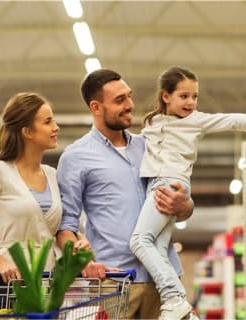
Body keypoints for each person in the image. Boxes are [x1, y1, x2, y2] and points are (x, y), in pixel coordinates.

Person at [129, 66, 246, 319]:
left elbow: (232, 120)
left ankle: (173, 298)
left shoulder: (195, 120)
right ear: (166, 96)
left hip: (169, 183)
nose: (191, 102)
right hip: (155, 183)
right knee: (159, 247)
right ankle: (185, 312)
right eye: (184, 96)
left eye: (194, 96)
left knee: (139, 241)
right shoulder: (153, 122)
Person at [55, 69, 194, 320]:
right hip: (113, 283)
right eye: (119, 100)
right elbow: (65, 227)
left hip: (164, 279)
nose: (130, 105)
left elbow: (181, 208)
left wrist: (184, 205)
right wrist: (81, 260)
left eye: (129, 97)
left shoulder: (150, 146)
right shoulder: (76, 157)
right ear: (96, 107)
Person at [0, 92, 89, 284]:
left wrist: (81, 240)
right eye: (47, 122)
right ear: (27, 132)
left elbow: (67, 227)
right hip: (11, 282)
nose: (56, 127)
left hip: (49, 282)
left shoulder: (53, 175)